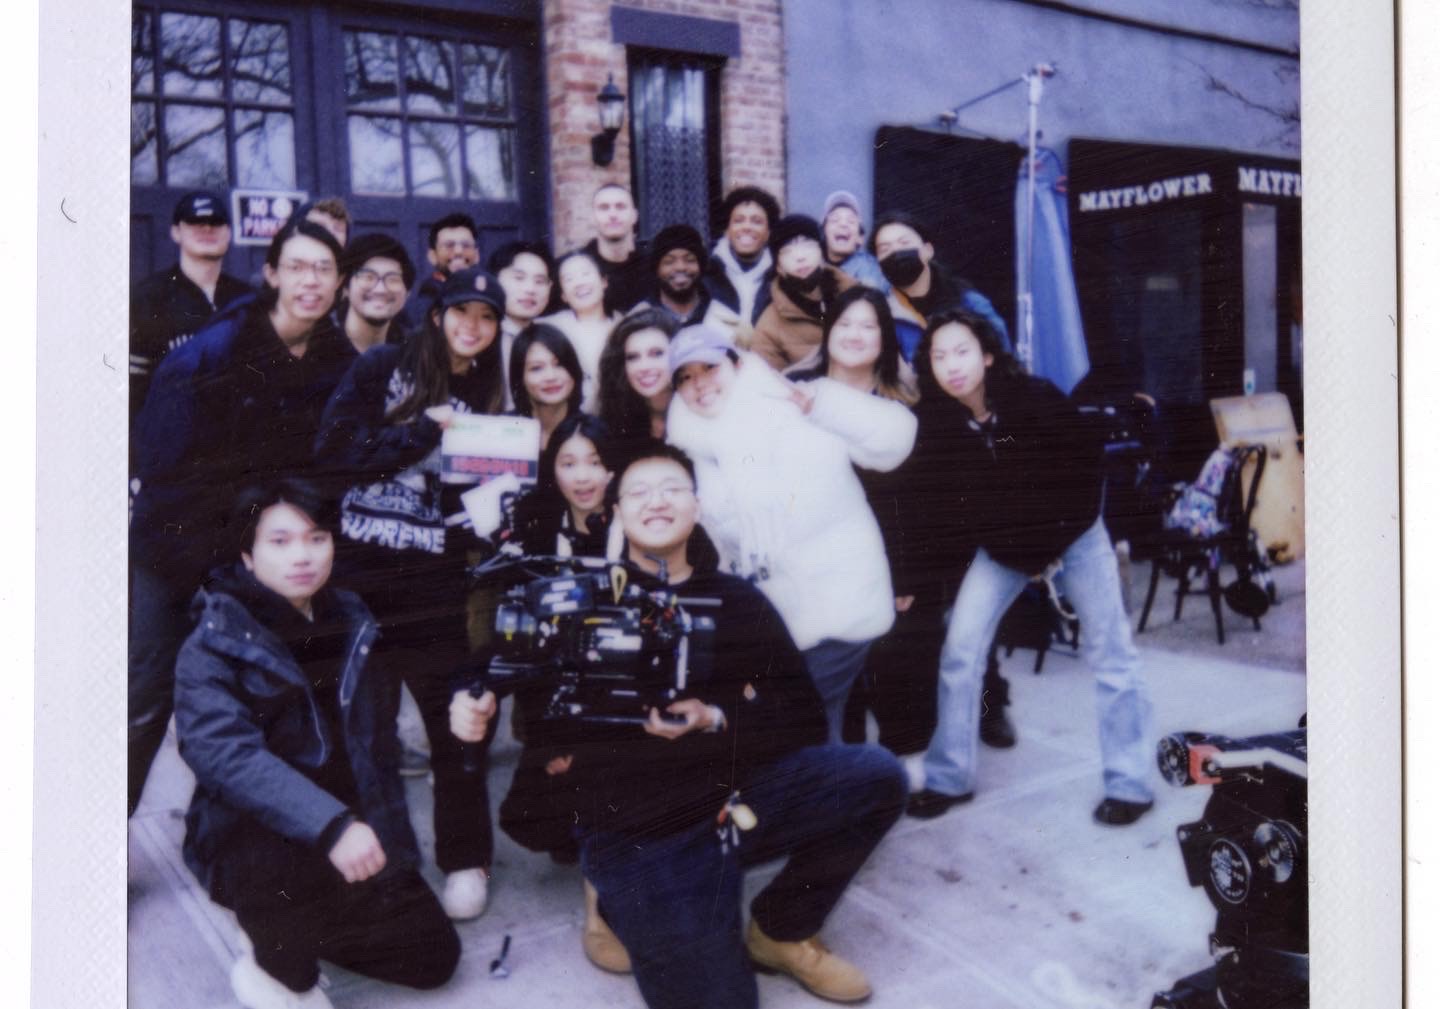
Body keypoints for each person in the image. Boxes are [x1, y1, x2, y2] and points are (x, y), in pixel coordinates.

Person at [450, 444, 908, 1009]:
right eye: (638, 492)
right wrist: (469, 700)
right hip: (636, 833)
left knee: (875, 776)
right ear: (616, 513)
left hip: (732, 801)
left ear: (697, 506)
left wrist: (715, 717)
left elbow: (805, 716)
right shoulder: (578, 596)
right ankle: (619, 904)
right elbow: (490, 663)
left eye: (672, 488)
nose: (657, 501)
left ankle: (781, 929)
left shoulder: (736, 601)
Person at [175, 480, 459, 1009]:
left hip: (347, 827)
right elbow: (226, 757)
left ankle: (302, 926)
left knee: (434, 958)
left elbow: (377, 752)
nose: (302, 557)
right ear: (247, 555)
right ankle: (270, 945)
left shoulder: (351, 617)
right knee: (293, 980)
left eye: (316, 538)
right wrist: (331, 827)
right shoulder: (211, 643)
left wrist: (389, 853)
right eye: (279, 542)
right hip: (261, 843)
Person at [130, 217, 351, 816]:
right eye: (298, 266)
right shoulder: (215, 352)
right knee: (145, 698)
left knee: (267, 696)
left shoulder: (336, 358)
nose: (311, 280)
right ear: (273, 274)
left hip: (265, 555)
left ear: (338, 283)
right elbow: (161, 465)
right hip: (176, 547)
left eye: (324, 269)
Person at [903, 307, 1156, 825]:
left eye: (963, 351)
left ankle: (1129, 783)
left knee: (1110, 650)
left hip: (1076, 536)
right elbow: (945, 508)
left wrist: (1051, 553)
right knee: (960, 648)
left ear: (988, 355)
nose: (952, 365)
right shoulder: (940, 424)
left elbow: (1086, 476)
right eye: (940, 355)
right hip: (1006, 551)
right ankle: (950, 775)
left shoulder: (1034, 399)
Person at [315, 265, 508, 920]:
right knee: (365, 734)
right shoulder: (380, 367)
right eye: (462, 313)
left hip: (434, 587)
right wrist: (424, 430)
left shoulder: (488, 389)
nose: (473, 328)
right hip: (363, 583)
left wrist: (493, 507)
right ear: (437, 314)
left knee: (455, 728)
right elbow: (334, 451)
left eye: (487, 317)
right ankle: (388, 863)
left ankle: (466, 858)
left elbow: (476, 496)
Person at [665, 324, 916, 741]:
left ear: (738, 364)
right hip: (781, 617)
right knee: (814, 720)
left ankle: (841, 795)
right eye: (685, 377)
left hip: (842, 601)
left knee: (807, 719)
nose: (699, 383)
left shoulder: (788, 399)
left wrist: (822, 405)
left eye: (709, 367)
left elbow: (897, 436)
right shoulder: (701, 446)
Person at [788, 288, 938, 774]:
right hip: (813, 560)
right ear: (828, 330)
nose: (854, 334)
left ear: (885, 337)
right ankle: (845, 771)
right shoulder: (796, 392)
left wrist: (905, 575)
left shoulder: (903, 404)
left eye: (868, 325)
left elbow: (916, 505)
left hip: (891, 561)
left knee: (899, 661)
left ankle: (907, 757)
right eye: (845, 323)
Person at [130, 190, 253, 427]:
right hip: (172, 449)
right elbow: (133, 392)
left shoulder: (248, 298)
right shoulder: (147, 298)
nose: (207, 228)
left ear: (228, 233)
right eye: (195, 222)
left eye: (216, 222)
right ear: (176, 232)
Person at [871, 211, 1010, 363]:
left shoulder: (970, 303)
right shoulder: (879, 315)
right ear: (878, 264)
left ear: (927, 251)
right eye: (885, 249)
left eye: (904, 243)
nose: (896, 252)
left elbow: (1003, 360)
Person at [749, 214, 858, 374]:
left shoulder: (858, 297)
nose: (800, 257)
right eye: (787, 251)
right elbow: (769, 387)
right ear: (778, 267)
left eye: (807, 245)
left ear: (822, 253)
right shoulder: (768, 328)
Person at [540, 249, 622, 410]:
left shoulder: (624, 326)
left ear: (603, 281)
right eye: (569, 279)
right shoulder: (548, 328)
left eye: (585, 274)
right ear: (563, 294)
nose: (579, 283)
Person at [488, 240, 558, 410]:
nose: (530, 289)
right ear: (495, 280)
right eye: (519, 278)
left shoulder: (554, 336)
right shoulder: (481, 337)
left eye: (540, 281)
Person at [597, 308, 680, 449]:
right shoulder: (616, 421)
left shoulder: (697, 411)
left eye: (656, 354)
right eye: (633, 357)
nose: (644, 367)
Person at [704, 186, 780, 339]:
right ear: (727, 230)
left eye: (757, 222)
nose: (747, 227)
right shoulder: (706, 271)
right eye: (738, 221)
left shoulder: (779, 276)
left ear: (768, 233)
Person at [508, 322, 585, 450]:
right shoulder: (503, 428)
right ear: (520, 378)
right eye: (536, 368)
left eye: (559, 364)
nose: (551, 376)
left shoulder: (590, 432)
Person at [335, 234, 415, 355]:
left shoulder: (416, 352)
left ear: (407, 293)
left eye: (393, 279)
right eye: (368, 277)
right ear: (345, 287)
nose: (380, 289)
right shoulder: (319, 348)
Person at [403, 213, 481, 331]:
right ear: (432, 256)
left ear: (477, 255)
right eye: (449, 245)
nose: (459, 251)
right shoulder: (415, 311)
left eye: (466, 245)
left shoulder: (489, 302)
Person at [581, 183, 650, 314]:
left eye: (620, 207)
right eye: (604, 208)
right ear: (592, 217)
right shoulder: (576, 267)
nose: (613, 214)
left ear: (634, 216)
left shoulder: (653, 265)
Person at [633, 224, 717, 328]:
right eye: (669, 262)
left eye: (689, 260)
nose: (680, 267)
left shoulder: (718, 310)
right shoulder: (641, 317)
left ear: (701, 265)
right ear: (656, 268)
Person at [819, 190, 888, 292]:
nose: (843, 224)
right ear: (823, 233)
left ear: (860, 239)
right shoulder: (813, 264)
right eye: (834, 220)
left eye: (851, 221)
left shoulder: (871, 270)